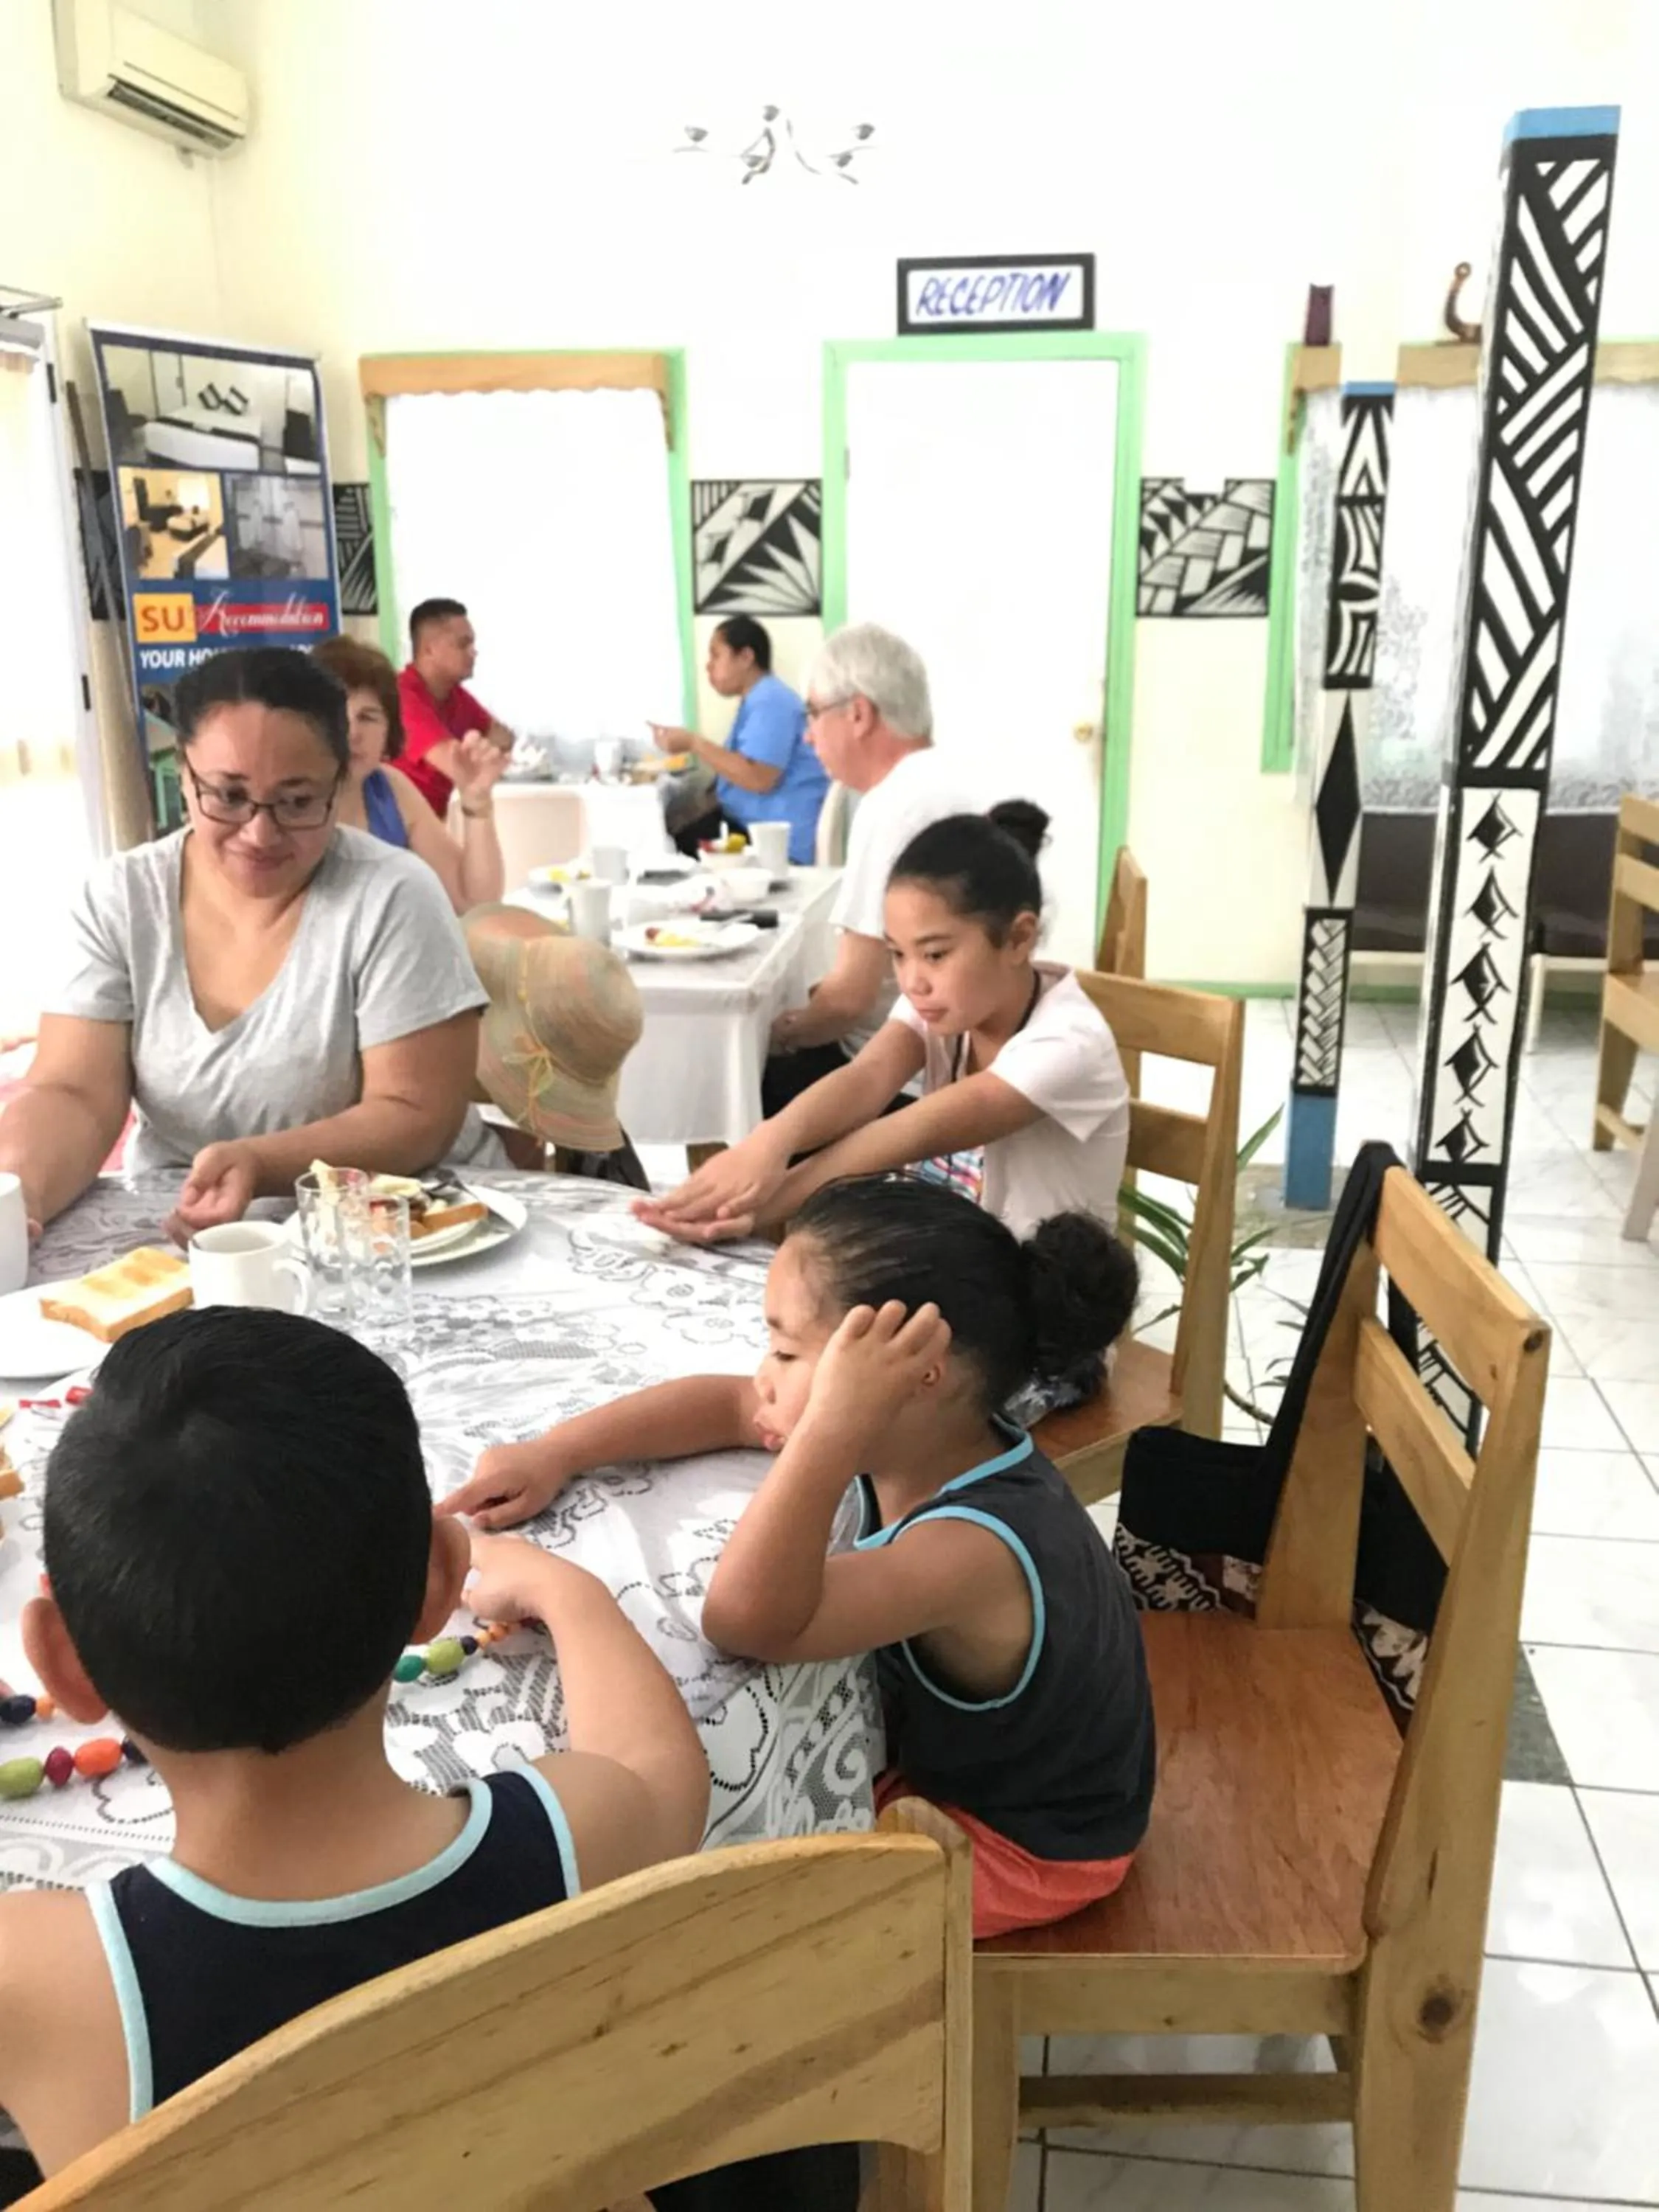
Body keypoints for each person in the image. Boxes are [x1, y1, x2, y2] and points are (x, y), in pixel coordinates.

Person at [0, 1306, 710, 2180]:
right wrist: (563, 1592)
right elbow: (656, 1768)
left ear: (61, 1669)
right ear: (436, 1590)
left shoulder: (40, 1978)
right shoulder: (572, 1837)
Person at [442, 1177, 1151, 1943]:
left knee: (720, 1923)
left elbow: (746, 1619)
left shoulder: (970, 1546)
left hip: (1027, 1847)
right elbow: (728, 1404)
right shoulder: (935, 1439)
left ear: (918, 1376)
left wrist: (829, 1432)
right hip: (968, 1774)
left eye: (785, 1349)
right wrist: (555, 1453)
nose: (763, 1374)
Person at [0, 645, 502, 1242]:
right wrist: (16, 1192)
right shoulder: (123, 898)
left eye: (297, 802)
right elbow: (75, 1093)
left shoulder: (391, 894)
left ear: (339, 784)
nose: (260, 834)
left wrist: (263, 1163)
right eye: (229, 796)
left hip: (402, 1230)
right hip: (191, 1224)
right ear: (184, 777)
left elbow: (419, 1114)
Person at [639, 804, 1130, 1270]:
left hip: (1041, 1317)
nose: (913, 980)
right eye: (898, 954)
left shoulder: (1068, 1043)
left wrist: (756, 1205)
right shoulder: (948, 1003)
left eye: (935, 954)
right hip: (954, 1267)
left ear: (1020, 938)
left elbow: (911, 1132)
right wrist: (768, 1143)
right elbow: (867, 1076)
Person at [759, 624, 978, 1116]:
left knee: (753, 1079)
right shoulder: (944, 777)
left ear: (858, 714)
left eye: (813, 713)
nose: (808, 734)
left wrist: (776, 1034)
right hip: (960, 1052)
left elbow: (849, 1002)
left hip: (912, 1078)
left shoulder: (895, 806)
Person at [311, 636, 506, 913]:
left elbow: (474, 902)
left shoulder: (390, 788)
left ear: (388, 732)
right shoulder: (279, 800)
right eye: (337, 716)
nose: (353, 733)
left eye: (368, 717)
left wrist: (478, 803)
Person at [648, 616, 828, 866]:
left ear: (745, 657)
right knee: (675, 831)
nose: (708, 667)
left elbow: (758, 778)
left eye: (716, 656)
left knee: (672, 851)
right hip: (748, 823)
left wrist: (693, 743)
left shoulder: (771, 701)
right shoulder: (758, 700)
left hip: (772, 839)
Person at [397, 598, 515, 821]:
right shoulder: (402, 696)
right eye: (463, 644)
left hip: (435, 822)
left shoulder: (455, 695)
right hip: (398, 830)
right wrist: (480, 752)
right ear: (429, 650)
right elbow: (458, 766)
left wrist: (472, 753)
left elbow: (505, 737)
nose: (473, 652)